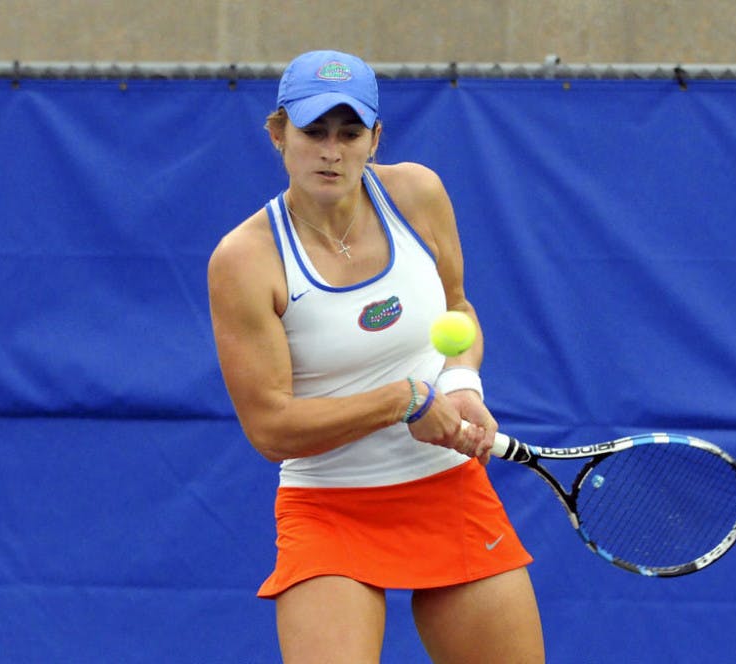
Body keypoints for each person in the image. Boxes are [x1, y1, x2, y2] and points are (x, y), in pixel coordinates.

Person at [208, 49, 545, 663]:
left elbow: (457, 310)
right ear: (278, 134)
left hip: (447, 488)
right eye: (313, 131)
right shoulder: (245, 260)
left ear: (375, 139)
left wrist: (462, 384)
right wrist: (404, 400)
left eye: (349, 133)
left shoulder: (418, 194)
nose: (331, 151)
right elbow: (271, 429)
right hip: (329, 508)